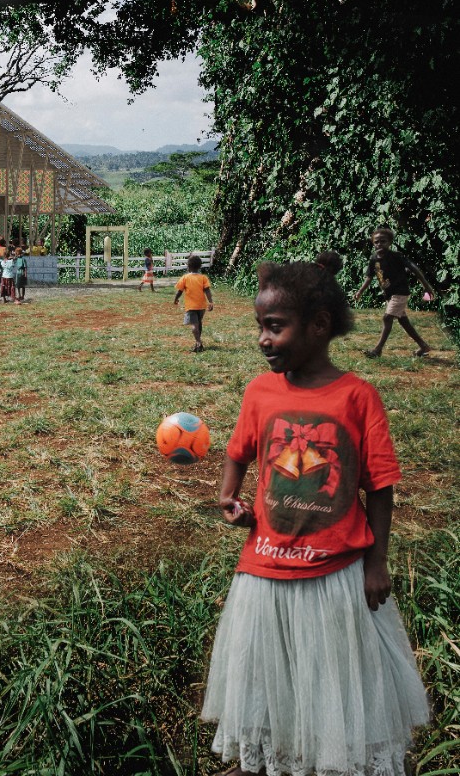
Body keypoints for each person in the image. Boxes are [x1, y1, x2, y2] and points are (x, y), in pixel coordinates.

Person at [200, 259, 429, 776]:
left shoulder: (357, 397)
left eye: (275, 326)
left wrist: (377, 564)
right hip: (265, 568)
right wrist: (230, 496)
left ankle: (329, 761)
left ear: (319, 325)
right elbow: (238, 451)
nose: (263, 339)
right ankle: (269, 761)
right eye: (260, 326)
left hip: (335, 574)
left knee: (334, 677)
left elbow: (381, 487)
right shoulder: (260, 391)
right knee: (268, 671)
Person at [352, 227, 435, 359]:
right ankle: (423, 345)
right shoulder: (374, 259)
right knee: (403, 321)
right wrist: (360, 292)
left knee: (387, 318)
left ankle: (377, 350)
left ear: (390, 242)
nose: (379, 244)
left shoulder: (396, 256)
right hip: (389, 294)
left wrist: (427, 287)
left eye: (383, 241)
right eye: (376, 242)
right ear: (373, 243)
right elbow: (369, 278)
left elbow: (414, 269)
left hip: (400, 292)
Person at [172, 253, 213, 351]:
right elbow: (207, 290)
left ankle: (198, 342)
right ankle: (198, 342)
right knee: (199, 323)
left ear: (188, 266)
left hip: (191, 306)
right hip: (201, 306)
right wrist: (210, 302)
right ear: (200, 266)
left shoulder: (185, 278)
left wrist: (176, 299)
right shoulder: (203, 278)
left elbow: (180, 291)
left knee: (194, 325)